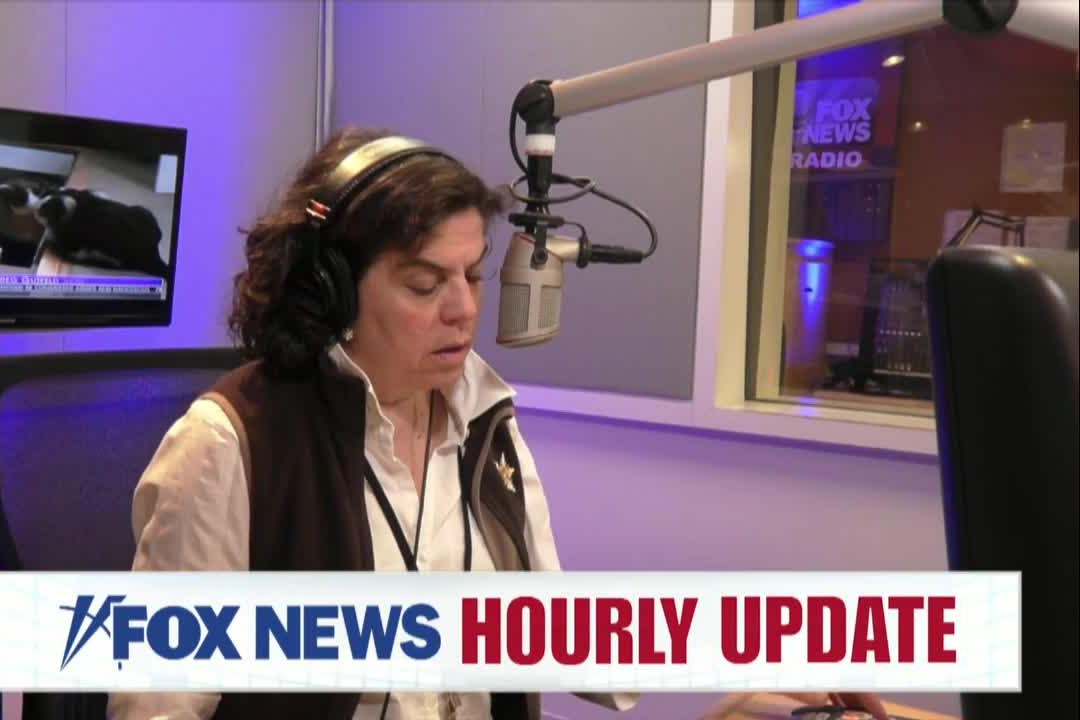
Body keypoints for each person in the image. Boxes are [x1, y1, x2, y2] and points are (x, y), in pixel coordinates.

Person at [107, 128, 889, 720]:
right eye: (425, 284)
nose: (464, 309)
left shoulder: (484, 425)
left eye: (473, 275)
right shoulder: (230, 444)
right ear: (331, 291)